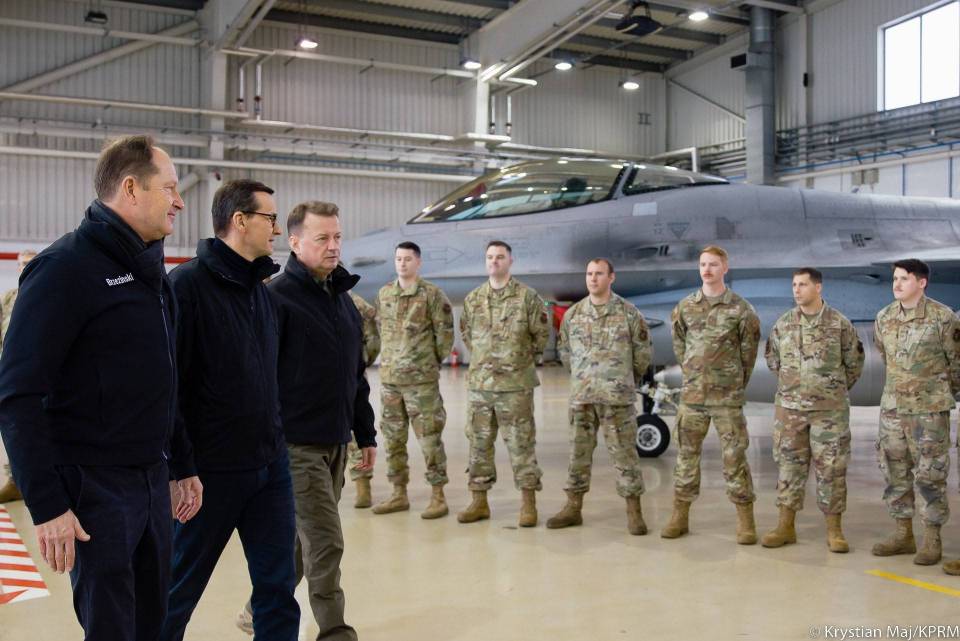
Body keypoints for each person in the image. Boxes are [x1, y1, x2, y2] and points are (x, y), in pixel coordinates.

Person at [0, 135, 201, 641]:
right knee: (112, 627)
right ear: (131, 189)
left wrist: (182, 464)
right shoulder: (64, 269)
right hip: (95, 488)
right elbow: (17, 395)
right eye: (170, 188)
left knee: (154, 622)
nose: (179, 202)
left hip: (152, 479)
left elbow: (164, 378)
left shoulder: (152, 273)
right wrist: (47, 506)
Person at [161, 179, 299, 641]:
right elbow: (168, 389)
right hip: (208, 474)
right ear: (240, 220)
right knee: (175, 591)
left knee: (277, 589)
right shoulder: (186, 287)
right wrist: (181, 469)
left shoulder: (261, 290)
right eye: (270, 218)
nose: (276, 229)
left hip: (270, 467)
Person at [236, 200, 377, 640]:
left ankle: (256, 610)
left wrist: (365, 433)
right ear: (295, 242)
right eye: (322, 238)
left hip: (335, 442)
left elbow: (355, 374)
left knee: (300, 543)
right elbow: (255, 377)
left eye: (337, 237)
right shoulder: (275, 298)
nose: (333, 246)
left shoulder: (343, 301)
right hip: (294, 446)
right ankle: (334, 630)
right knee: (326, 541)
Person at [661, 245, 762, 544]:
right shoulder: (685, 307)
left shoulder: (741, 309)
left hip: (726, 400)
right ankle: (679, 516)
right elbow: (680, 347)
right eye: (703, 264)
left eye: (714, 264)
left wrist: (730, 383)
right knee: (686, 458)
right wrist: (695, 376)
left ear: (725, 268)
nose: (707, 269)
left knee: (734, 458)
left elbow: (748, 355)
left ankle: (745, 520)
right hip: (693, 398)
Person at [762, 267, 864, 552]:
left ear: (818, 288)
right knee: (788, 468)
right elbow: (773, 361)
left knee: (831, 469)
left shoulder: (839, 324)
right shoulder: (783, 324)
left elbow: (854, 364)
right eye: (794, 285)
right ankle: (785, 527)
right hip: (790, 411)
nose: (797, 290)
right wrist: (796, 387)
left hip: (829, 413)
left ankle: (834, 531)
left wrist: (828, 391)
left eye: (803, 284)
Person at [548, 258, 652, 534]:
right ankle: (573, 508)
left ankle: (634, 512)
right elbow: (565, 351)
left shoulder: (629, 313)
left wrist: (622, 380)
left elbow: (642, 354)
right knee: (577, 455)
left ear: (611, 277)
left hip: (617, 398)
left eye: (599, 274)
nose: (593, 278)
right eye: (589, 274)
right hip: (582, 397)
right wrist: (582, 377)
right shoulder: (574, 314)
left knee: (625, 456)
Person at [871, 259, 960, 568]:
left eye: (904, 279)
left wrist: (939, 395)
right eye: (895, 278)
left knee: (930, 475)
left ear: (921, 283)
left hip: (929, 412)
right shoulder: (884, 317)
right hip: (893, 410)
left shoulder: (943, 317)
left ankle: (932, 540)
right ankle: (903, 534)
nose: (897, 284)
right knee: (894, 471)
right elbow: (885, 355)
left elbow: (956, 362)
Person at [458, 240, 549, 527]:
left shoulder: (527, 297)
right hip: (481, 386)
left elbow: (541, 335)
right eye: (490, 257)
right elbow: (467, 334)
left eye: (499, 257)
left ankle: (528, 503)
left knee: (521, 444)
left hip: (515, 386)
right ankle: (479, 501)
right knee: (478, 445)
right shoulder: (474, 299)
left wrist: (517, 362)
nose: (494, 261)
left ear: (510, 261)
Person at [372, 241, 454, 519]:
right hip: (390, 381)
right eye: (398, 259)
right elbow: (381, 329)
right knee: (393, 440)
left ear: (418, 262)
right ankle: (399, 493)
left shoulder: (432, 295)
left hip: (422, 383)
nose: (402, 263)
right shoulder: (385, 293)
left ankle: (438, 495)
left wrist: (428, 362)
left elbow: (445, 335)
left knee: (430, 439)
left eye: (408, 259)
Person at [0, 249, 37, 503]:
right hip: (9, 372)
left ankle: (36, 483)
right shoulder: (8, 298)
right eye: (22, 263)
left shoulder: (44, 293)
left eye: (29, 263)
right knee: (11, 426)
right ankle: (14, 480)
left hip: (37, 374)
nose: (25, 267)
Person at [346, 291, 380, 509]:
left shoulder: (356, 304)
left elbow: (373, 342)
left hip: (351, 375)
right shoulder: (358, 302)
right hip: (322, 377)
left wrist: (358, 363)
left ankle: (362, 486)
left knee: (357, 429)